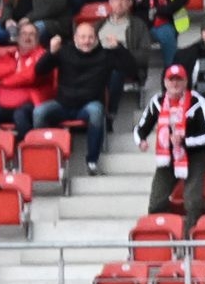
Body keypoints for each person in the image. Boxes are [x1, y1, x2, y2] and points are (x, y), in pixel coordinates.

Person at [38, 19, 140, 174]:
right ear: (75, 38)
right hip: (63, 105)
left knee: (96, 111)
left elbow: (132, 70)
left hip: (88, 106)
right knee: (39, 112)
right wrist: (51, 52)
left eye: (91, 37)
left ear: (96, 38)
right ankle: (45, 158)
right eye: (83, 37)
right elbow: (39, 71)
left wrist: (119, 49)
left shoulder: (105, 55)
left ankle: (92, 161)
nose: (87, 41)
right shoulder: (64, 52)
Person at [135, 62, 205, 229]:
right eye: (171, 80)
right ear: (165, 82)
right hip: (167, 157)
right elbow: (141, 128)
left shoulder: (197, 101)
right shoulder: (157, 101)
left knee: (192, 202)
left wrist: (185, 141)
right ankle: (161, 234)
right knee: (156, 202)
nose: (175, 84)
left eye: (179, 79)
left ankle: (190, 237)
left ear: (186, 82)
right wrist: (141, 140)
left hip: (193, 156)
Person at [0, 19, 54, 135]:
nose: (27, 37)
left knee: (20, 115)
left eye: (32, 34)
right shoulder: (12, 55)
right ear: (18, 38)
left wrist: (5, 81)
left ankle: (26, 145)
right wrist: (13, 68)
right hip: (4, 104)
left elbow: (30, 76)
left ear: (38, 39)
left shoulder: (43, 56)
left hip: (29, 104)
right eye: (24, 34)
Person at [97, 0, 156, 100]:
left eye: (123, 0)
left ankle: (110, 108)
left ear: (130, 3)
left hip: (125, 66)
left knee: (114, 70)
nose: (119, 3)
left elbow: (144, 56)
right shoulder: (99, 25)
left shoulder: (138, 25)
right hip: (99, 65)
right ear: (110, 2)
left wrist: (120, 49)